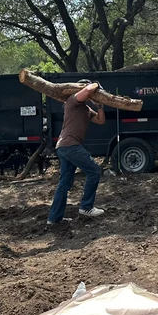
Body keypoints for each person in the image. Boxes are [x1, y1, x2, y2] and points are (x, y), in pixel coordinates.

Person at [47, 81, 106, 225]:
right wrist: (95, 83)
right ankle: (86, 207)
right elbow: (86, 90)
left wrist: (99, 106)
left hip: (65, 147)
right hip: (70, 145)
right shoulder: (72, 101)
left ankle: (54, 218)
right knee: (94, 171)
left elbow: (100, 120)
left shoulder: (85, 108)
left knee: (65, 183)